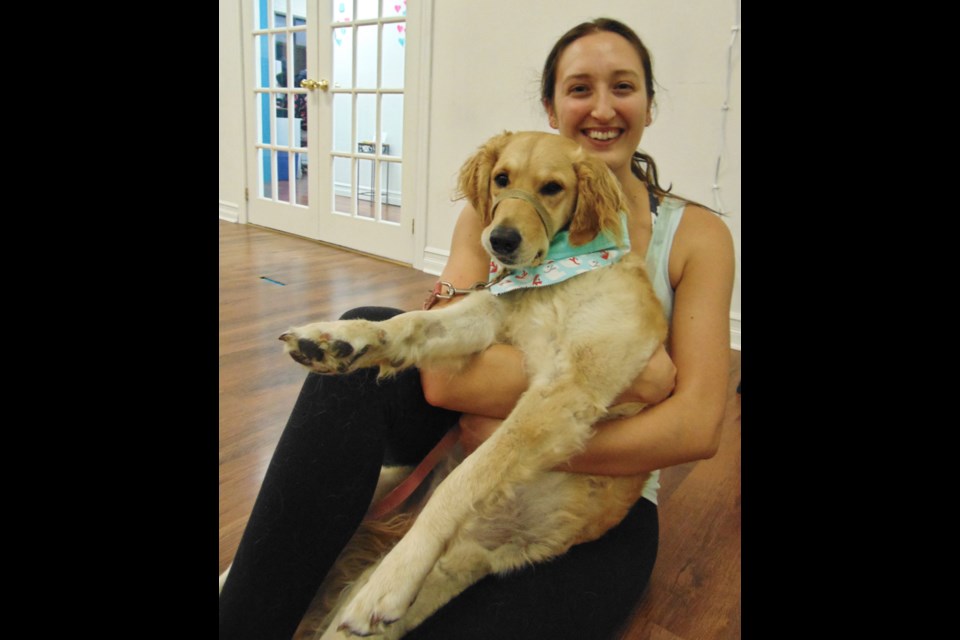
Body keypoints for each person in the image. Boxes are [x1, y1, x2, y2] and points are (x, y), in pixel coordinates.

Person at [219, 17, 735, 640]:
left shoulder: (699, 235)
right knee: (373, 329)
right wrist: (624, 383)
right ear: (551, 107)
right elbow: (441, 383)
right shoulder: (494, 210)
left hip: (604, 491)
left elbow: (697, 425)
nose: (602, 107)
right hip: (489, 443)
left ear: (650, 103)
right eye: (579, 89)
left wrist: (540, 437)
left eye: (623, 86)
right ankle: (246, 612)